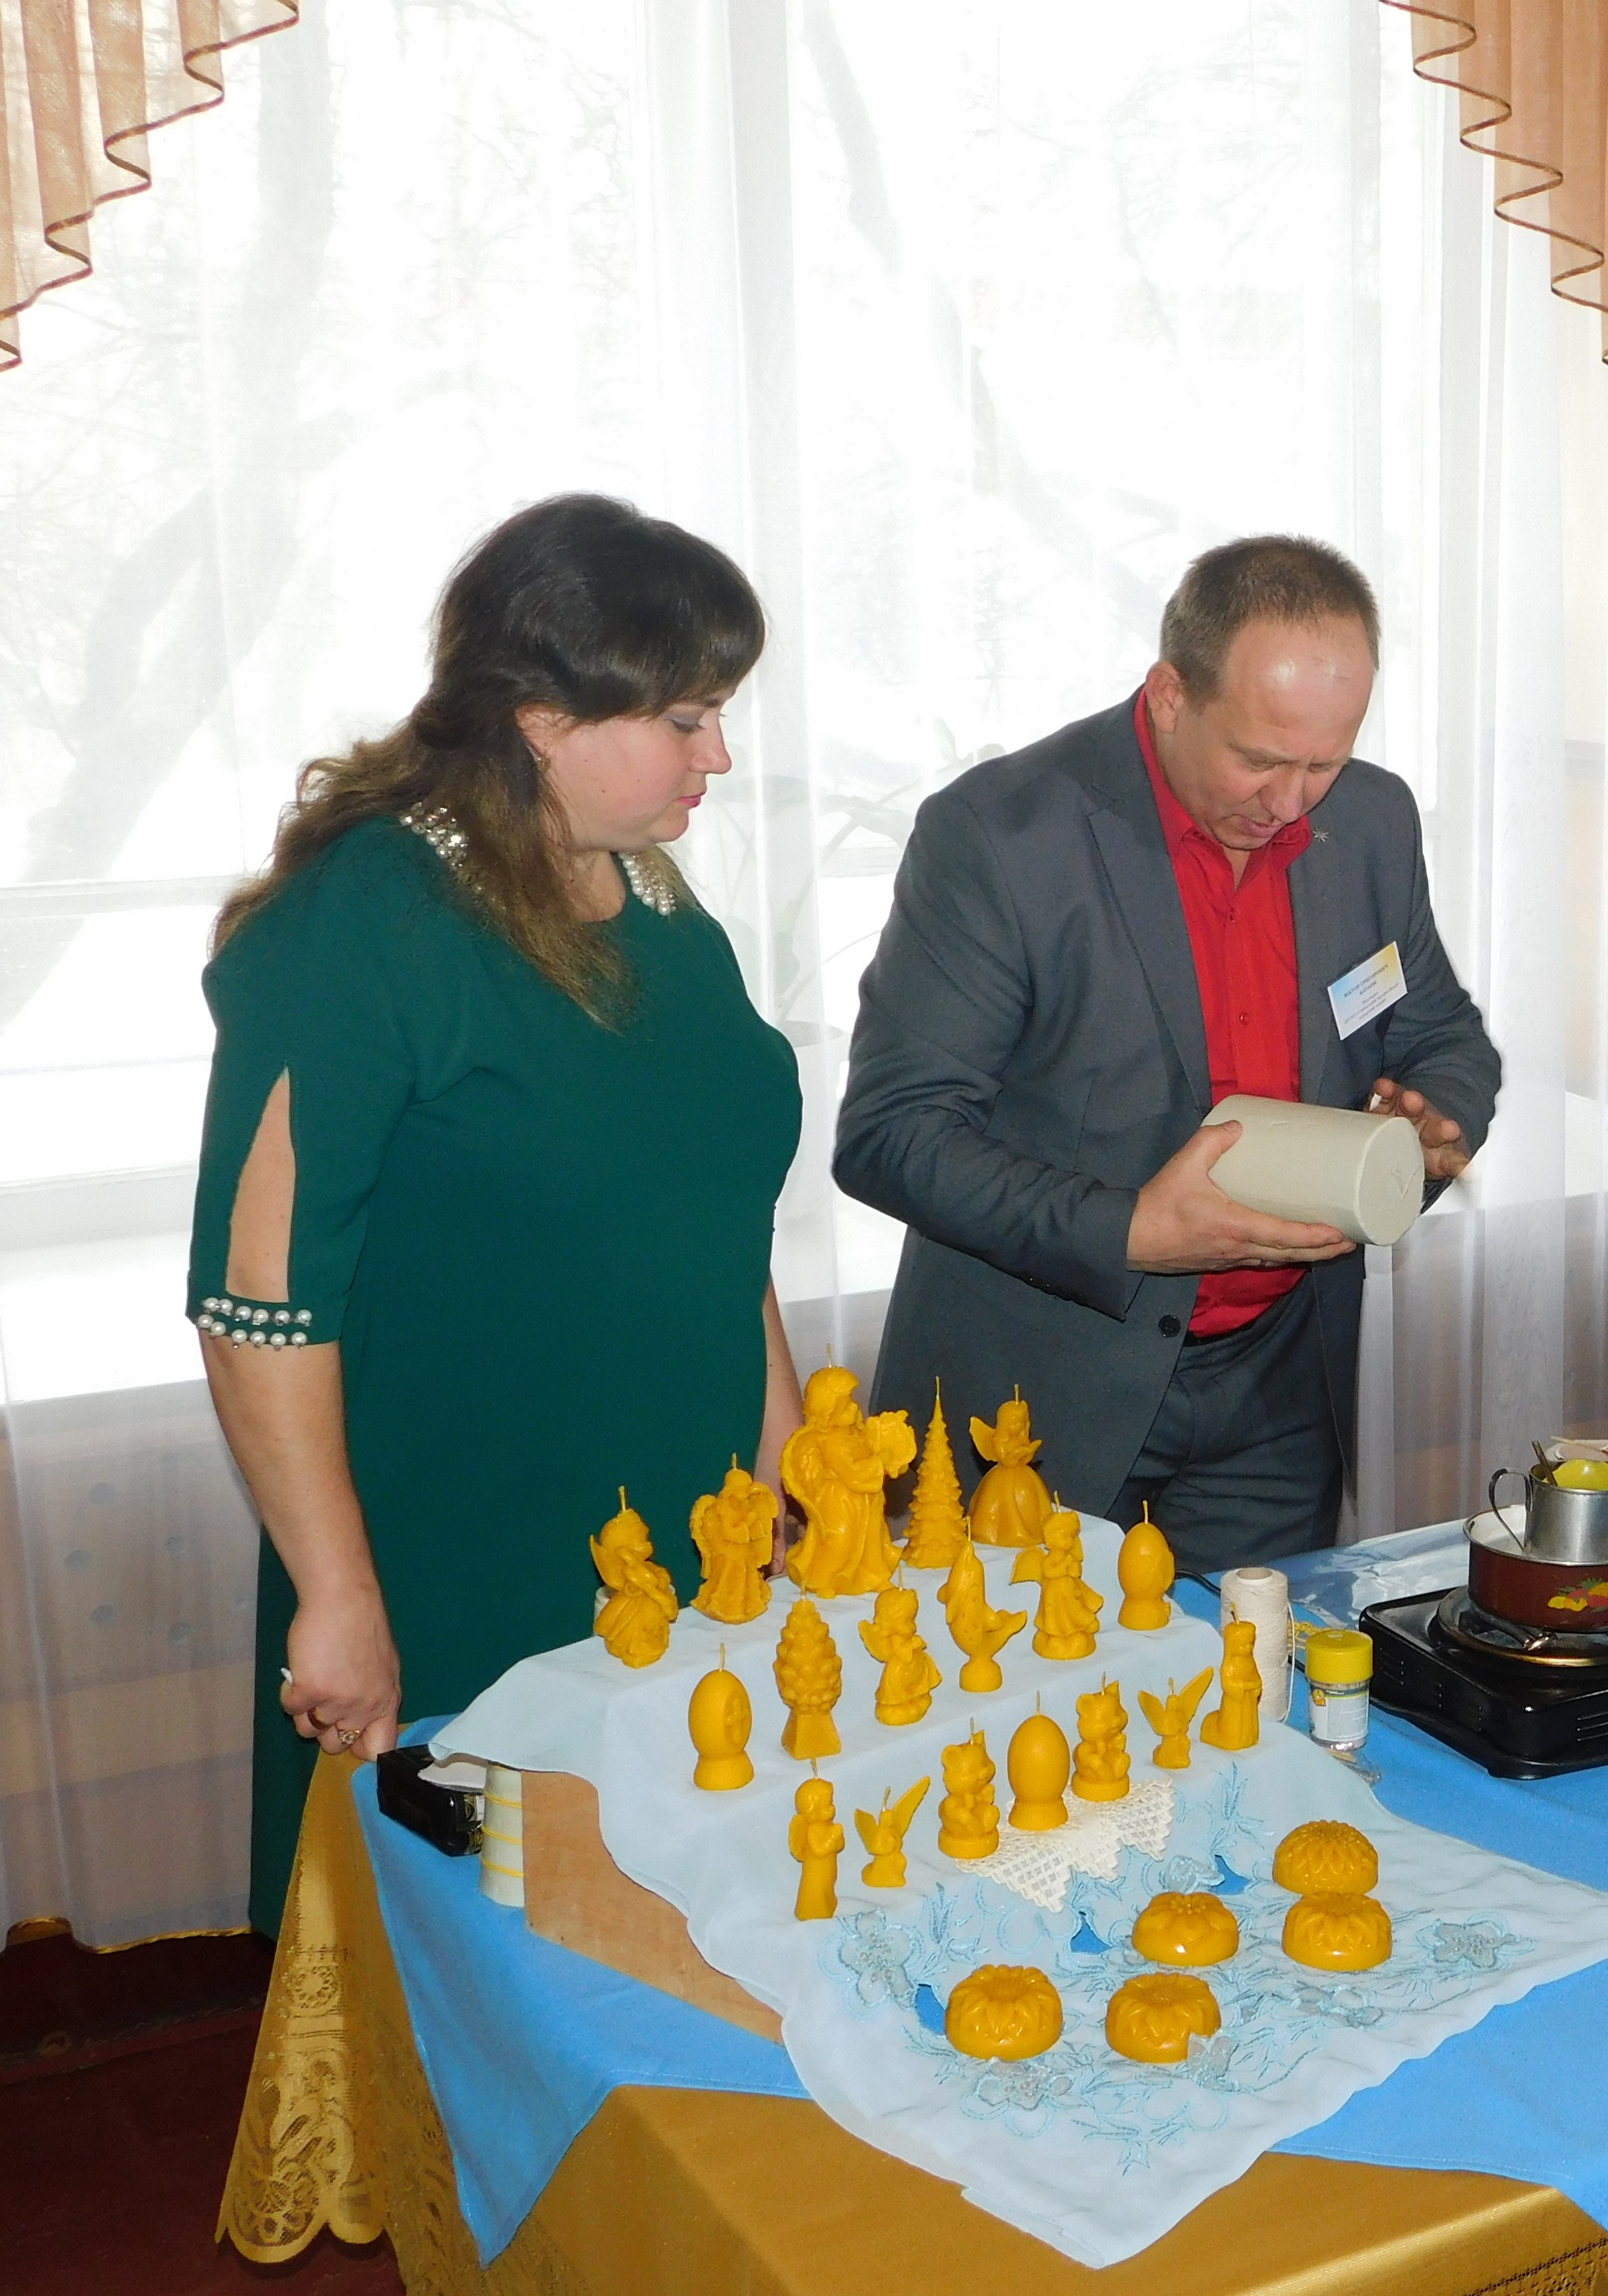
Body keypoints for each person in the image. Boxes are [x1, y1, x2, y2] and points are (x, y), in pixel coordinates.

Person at [192, 496, 805, 1931]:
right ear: (542, 718)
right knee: (494, 1945)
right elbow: (260, 1300)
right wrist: (337, 1593)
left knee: (674, 1934)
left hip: (681, 1526)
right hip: (474, 1549)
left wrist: (787, 1463)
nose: (717, 755)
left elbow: (716, 1216)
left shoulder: (651, 894)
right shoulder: (368, 920)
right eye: (687, 718)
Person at [836, 536, 1499, 1573]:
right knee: (1019, 1678)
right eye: (1259, 760)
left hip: (1279, 1392)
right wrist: (1131, 1229)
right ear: (1168, 695)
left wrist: (1435, 1114)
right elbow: (892, 1135)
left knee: (1249, 1675)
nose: (1290, 803)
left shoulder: (1371, 819)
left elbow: (1438, 1032)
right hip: (1037, 1394)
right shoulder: (1002, 836)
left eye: (1322, 762)